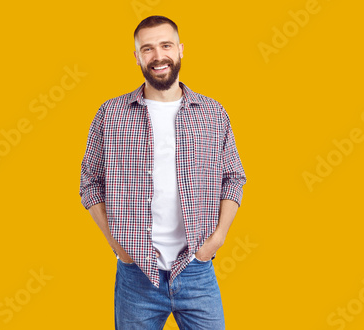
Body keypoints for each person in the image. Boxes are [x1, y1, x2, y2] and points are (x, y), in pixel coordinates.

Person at [79, 15, 246, 329]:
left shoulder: (213, 113)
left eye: (166, 45)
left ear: (181, 49)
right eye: (148, 49)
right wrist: (117, 245)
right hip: (136, 275)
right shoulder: (110, 114)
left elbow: (234, 177)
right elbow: (90, 181)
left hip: (197, 270)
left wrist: (218, 238)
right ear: (137, 57)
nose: (158, 56)